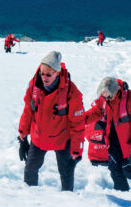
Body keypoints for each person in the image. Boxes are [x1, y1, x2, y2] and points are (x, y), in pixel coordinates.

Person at [18, 51, 85, 191]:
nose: (44, 77)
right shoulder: (34, 86)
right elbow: (28, 110)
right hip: (39, 136)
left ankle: (68, 203)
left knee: (66, 173)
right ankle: (29, 201)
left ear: (57, 73)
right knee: (29, 171)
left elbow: (78, 123)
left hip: (62, 139)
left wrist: (76, 150)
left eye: (48, 74)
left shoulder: (71, 91)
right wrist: (22, 136)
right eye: (42, 73)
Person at [87, 76, 131, 190]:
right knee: (114, 168)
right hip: (114, 139)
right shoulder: (105, 98)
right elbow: (96, 111)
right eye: (103, 95)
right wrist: (78, 120)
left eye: (108, 96)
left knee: (127, 168)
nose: (105, 98)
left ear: (116, 91)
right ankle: (122, 196)